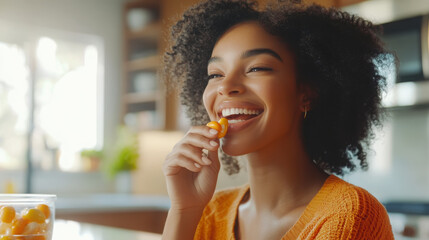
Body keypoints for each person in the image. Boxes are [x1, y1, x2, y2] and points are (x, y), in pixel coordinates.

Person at [161, 0, 396, 239]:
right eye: (215, 74)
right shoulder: (208, 212)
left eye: (256, 68)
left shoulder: (350, 216)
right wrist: (184, 210)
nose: (226, 86)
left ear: (306, 93)